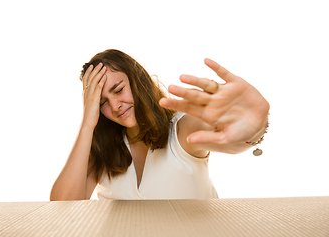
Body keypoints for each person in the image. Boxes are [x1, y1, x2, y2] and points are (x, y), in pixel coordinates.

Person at [50, 49, 270, 200]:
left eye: (118, 90)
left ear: (137, 79)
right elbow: (63, 208)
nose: (115, 105)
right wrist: (88, 124)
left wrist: (253, 128)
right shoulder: (104, 148)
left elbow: (224, 135)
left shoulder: (181, 129)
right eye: (102, 103)